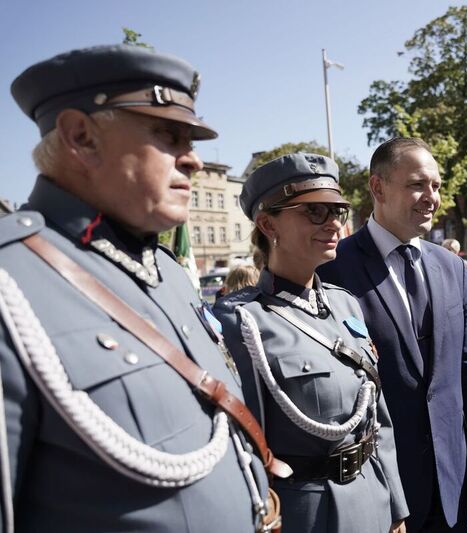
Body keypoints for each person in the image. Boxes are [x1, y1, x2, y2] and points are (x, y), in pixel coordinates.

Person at [0, 44, 277, 531]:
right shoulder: (12, 282)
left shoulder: (167, 271)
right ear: (81, 137)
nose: (192, 161)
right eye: (169, 135)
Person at [214, 153, 408, 532]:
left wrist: (395, 505)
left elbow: (377, 417)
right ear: (269, 224)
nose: (334, 223)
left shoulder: (344, 303)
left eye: (338, 210)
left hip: (373, 497)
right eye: (314, 212)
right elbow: (246, 450)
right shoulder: (241, 322)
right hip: (307, 514)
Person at [318, 138, 467, 532]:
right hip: (379, 484)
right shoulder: (333, 269)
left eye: (436, 186)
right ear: (378, 188)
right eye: (418, 184)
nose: (431, 197)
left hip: (453, 480)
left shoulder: (452, 267)